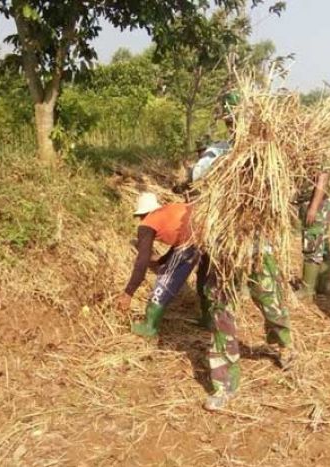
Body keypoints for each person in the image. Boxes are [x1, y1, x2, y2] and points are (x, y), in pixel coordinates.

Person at [200, 91, 296, 412]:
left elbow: (285, 190)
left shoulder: (271, 155)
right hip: (225, 249)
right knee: (221, 312)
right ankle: (224, 383)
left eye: (239, 117)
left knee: (272, 303)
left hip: (259, 248)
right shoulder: (216, 153)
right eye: (230, 119)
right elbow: (197, 178)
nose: (234, 123)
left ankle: (283, 346)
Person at [116, 192, 211, 337]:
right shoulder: (170, 210)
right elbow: (181, 234)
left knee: (165, 279)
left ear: (143, 213)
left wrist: (128, 292)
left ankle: (149, 327)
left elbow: (142, 260)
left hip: (190, 242)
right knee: (204, 280)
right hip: (208, 235)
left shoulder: (147, 223)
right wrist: (162, 260)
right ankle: (208, 319)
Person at [294, 150, 330, 302]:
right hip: (319, 205)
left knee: (312, 245)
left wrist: (313, 208)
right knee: (321, 245)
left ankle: (307, 290)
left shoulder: (321, 153)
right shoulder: (311, 150)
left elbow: (322, 181)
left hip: (317, 206)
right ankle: (323, 285)